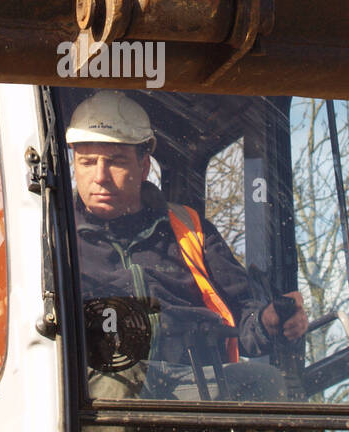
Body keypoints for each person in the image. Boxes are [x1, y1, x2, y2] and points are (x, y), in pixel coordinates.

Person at [66, 91, 307, 409]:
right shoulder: (56, 233)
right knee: (113, 386)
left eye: (116, 161)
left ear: (143, 166)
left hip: (191, 379)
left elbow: (244, 313)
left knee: (264, 383)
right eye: (87, 162)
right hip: (101, 380)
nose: (99, 177)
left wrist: (268, 320)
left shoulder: (190, 229)